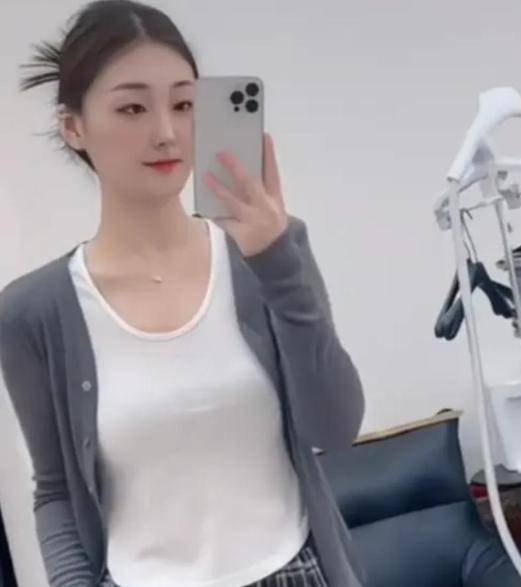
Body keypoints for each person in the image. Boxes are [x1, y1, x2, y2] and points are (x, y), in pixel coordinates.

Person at [0, 1, 366, 586]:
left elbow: (335, 428)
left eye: (184, 104)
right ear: (74, 127)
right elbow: (57, 493)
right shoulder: (31, 313)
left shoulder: (268, 255)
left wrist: (276, 261)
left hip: (294, 571)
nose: (166, 132)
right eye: (132, 107)